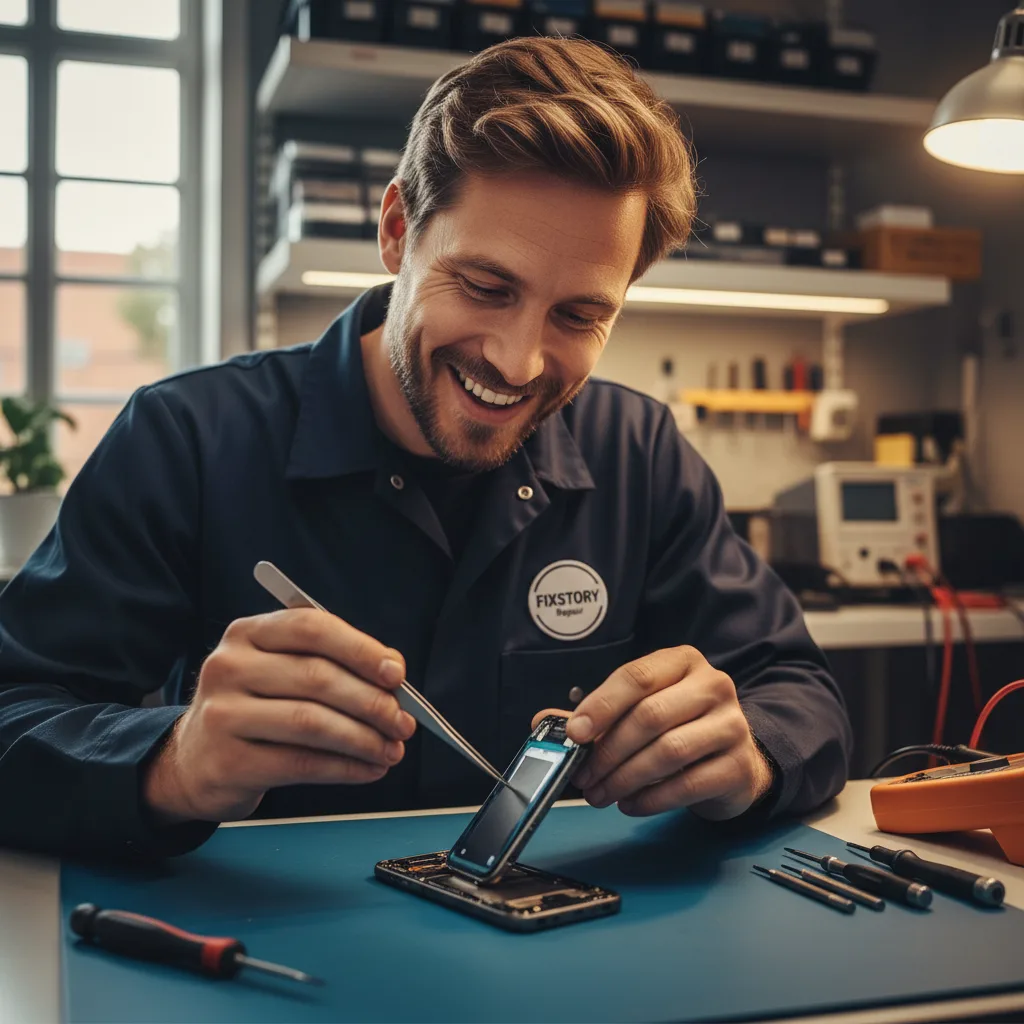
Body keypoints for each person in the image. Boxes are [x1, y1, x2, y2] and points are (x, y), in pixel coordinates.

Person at [0, 36, 851, 859]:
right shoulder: (186, 439)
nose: (518, 362)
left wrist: (748, 753)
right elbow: (15, 711)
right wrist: (172, 762)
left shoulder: (640, 453)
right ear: (398, 229)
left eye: (579, 316)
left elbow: (798, 693)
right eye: (485, 287)